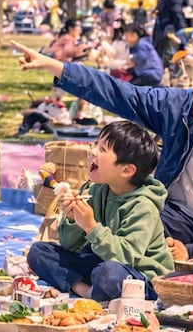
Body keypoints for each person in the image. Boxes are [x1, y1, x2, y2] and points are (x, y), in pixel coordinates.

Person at [10, 41, 193, 267]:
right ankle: (160, 253)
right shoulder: (179, 107)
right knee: (133, 220)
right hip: (174, 215)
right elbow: (120, 93)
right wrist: (56, 67)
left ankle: (187, 253)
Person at [26, 121, 174, 302]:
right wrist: (73, 220)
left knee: (109, 274)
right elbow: (69, 245)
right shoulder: (95, 189)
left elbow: (126, 257)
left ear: (126, 170)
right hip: (100, 261)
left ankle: (93, 288)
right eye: (96, 144)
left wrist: (91, 226)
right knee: (40, 252)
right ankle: (85, 290)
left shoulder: (143, 205)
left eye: (102, 149)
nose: (93, 151)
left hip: (139, 276)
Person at [148, 0, 189, 66]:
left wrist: (181, 32)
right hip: (168, 30)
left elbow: (176, 9)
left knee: (170, 63)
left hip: (171, 32)